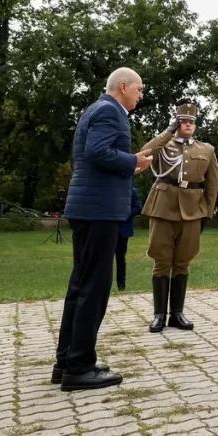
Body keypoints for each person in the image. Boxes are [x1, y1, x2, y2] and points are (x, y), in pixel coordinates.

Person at [54, 68, 153, 391]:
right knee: (94, 288)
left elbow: (92, 156)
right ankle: (80, 367)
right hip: (99, 211)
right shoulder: (111, 112)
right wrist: (133, 161)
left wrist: (126, 163)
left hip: (88, 207)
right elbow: (98, 152)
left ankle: (67, 360)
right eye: (138, 89)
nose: (141, 95)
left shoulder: (94, 110)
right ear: (122, 87)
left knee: (80, 286)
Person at [139, 102, 218, 333]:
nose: (188, 125)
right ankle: (159, 315)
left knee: (183, 262)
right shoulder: (165, 145)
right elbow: (145, 152)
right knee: (162, 261)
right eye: (183, 121)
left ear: (195, 125)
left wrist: (207, 212)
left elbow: (212, 184)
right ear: (177, 123)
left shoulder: (206, 149)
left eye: (191, 122)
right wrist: (168, 131)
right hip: (163, 208)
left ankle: (177, 313)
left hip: (192, 211)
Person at [116, 186, 140, 291]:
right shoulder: (111, 189)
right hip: (109, 229)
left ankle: (121, 286)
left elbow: (138, 208)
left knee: (121, 258)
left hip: (123, 230)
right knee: (105, 260)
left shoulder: (132, 191)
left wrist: (126, 213)